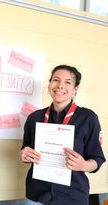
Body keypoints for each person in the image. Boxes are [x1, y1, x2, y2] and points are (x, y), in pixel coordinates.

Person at [20, 64, 106, 205]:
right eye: (55, 80)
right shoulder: (34, 117)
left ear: (75, 89)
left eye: (67, 82)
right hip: (36, 195)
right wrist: (25, 155)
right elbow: (26, 149)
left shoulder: (88, 118)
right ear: (49, 84)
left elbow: (98, 159)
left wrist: (83, 165)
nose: (60, 85)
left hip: (72, 196)